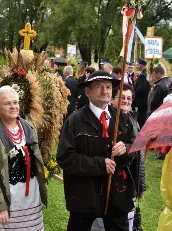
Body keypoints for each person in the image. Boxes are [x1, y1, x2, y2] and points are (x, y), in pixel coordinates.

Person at [57, 70, 135, 231]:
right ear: (87, 91)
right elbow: (65, 157)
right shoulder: (74, 121)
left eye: (108, 87)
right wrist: (99, 164)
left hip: (116, 193)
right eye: (98, 86)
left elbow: (134, 147)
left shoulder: (122, 118)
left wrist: (126, 149)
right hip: (84, 194)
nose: (105, 91)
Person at [0, 86, 47, 230]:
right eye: (7, 103)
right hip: (7, 195)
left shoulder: (28, 126)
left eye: (15, 102)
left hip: (30, 196)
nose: (13, 106)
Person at [90, 84, 146, 231]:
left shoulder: (133, 118)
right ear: (112, 100)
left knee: (124, 219)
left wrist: (141, 184)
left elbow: (138, 152)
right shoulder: (106, 119)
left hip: (128, 179)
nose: (126, 101)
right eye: (122, 98)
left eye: (129, 98)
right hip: (107, 179)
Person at [148, 66, 170, 160]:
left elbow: (154, 101)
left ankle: (160, 152)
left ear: (159, 73)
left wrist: (151, 110)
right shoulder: (168, 81)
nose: (154, 76)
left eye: (155, 74)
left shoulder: (160, 85)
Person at [132, 58, 150, 128]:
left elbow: (141, 88)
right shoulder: (144, 73)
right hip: (143, 100)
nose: (137, 66)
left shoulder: (143, 75)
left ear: (141, 65)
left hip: (141, 101)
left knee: (141, 118)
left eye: (138, 64)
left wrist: (135, 85)